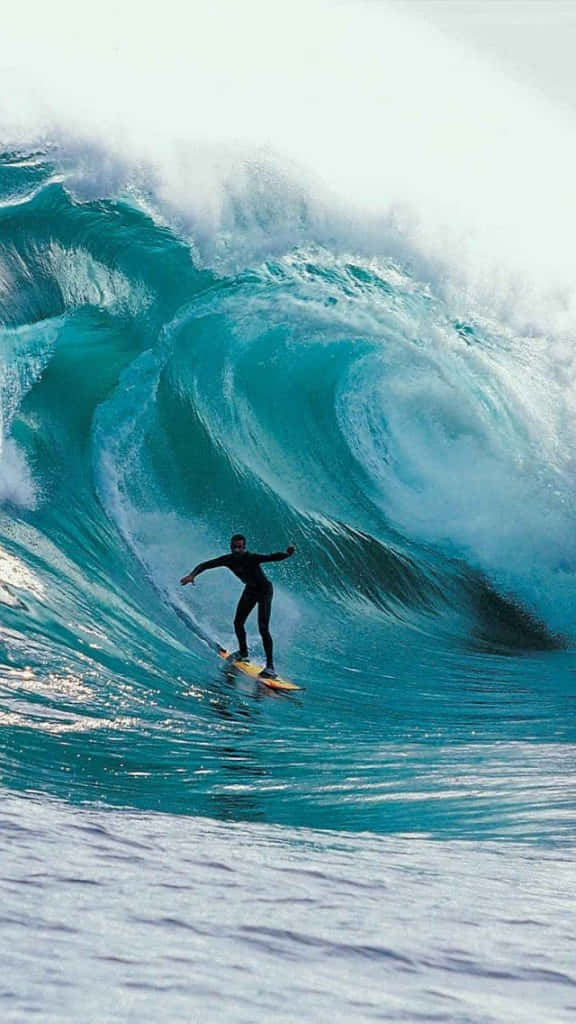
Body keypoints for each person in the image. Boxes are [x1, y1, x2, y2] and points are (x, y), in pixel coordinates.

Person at [180, 534, 296, 679]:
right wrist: (192, 575)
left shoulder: (251, 558)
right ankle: (243, 653)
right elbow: (205, 565)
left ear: (244, 547)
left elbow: (271, 557)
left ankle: (270, 667)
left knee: (263, 628)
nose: (237, 550)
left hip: (264, 590)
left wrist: (287, 554)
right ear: (231, 547)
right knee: (238, 622)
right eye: (234, 547)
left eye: (240, 547)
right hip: (250, 590)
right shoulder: (228, 560)